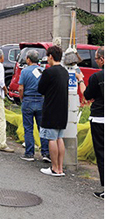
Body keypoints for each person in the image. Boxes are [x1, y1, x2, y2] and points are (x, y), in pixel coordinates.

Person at [76, 47, 104, 199]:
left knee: (102, 153)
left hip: (100, 118)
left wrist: (80, 79)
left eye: (97, 58)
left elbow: (87, 95)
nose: (97, 61)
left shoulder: (97, 77)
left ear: (102, 59)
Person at [38, 45, 69, 177]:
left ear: (50, 56)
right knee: (59, 138)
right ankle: (60, 168)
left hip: (51, 108)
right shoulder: (65, 71)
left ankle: (54, 168)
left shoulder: (49, 72)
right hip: (63, 109)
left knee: (51, 139)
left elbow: (41, 89)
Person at [18, 50, 50, 162]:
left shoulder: (25, 71)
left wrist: (22, 98)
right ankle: (46, 153)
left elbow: (20, 88)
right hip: (41, 100)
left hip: (28, 99)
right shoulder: (43, 71)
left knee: (28, 128)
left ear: (28, 59)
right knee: (42, 128)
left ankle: (30, 153)